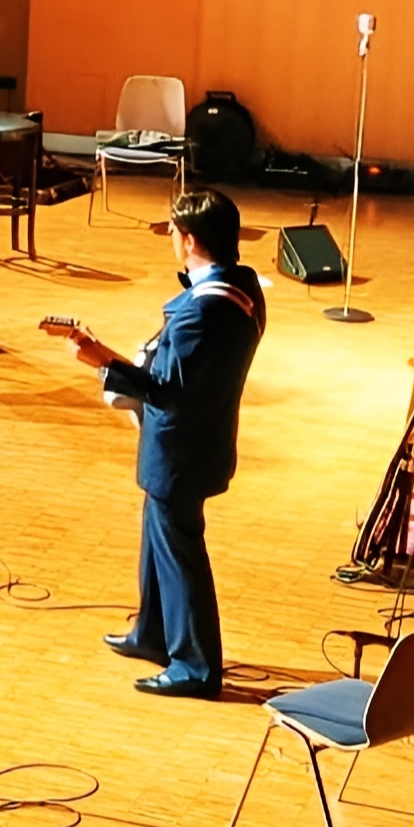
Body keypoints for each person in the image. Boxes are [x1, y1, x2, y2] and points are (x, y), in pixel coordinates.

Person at [62, 191, 264, 699]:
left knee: (180, 553)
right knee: (159, 537)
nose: (171, 240)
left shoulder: (203, 310)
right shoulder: (242, 289)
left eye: (174, 232)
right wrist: (109, 354)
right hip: (199, 441)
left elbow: (170, 391)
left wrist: (103, 364)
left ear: (191, 240)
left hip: (181, 449)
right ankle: (152, 633)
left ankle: (195, 666)